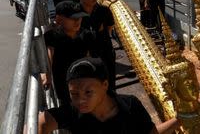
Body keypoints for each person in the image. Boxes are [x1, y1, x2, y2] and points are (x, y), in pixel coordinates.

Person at [38, 57, 180, 134]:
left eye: (88, 92)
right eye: (74, 94)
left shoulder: (130, 106)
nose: (81, 100)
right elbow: (40, 123)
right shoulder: (74, 112)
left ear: (105, 85)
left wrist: (179, 120)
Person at [42, 1, 94, 105]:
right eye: (73, 18)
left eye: (80, 17)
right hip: (63, 79)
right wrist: (46, 75)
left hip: (82, 77)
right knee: (67, 105)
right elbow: (49, 54)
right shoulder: (53, 35)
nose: (77, 21)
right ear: (59, 19)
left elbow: (89, 56)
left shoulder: (86, 35)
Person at [78, 0, 117, 91]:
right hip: (84, 54)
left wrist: (100, 36)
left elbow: (109, 27)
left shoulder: (104, 10)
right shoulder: (75, 12)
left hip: (105, 51)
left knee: (109, 83)